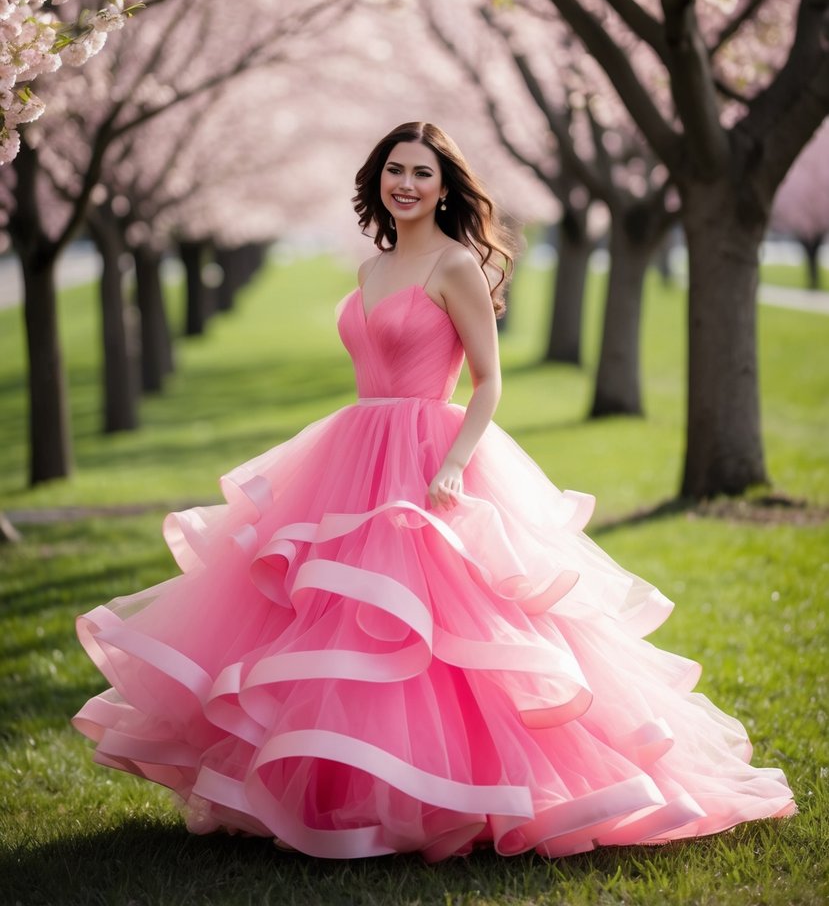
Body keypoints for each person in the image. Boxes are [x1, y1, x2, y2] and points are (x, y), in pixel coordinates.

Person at [73, 121, 795, 860]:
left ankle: (473, 791)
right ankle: (340, 790)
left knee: (444, 627)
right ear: (377, 181)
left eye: (422, 173)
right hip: (354, 451)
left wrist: (451, 463)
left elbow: (488, 382)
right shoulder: (370, 267)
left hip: (429, 456)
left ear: (445, 186)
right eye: (395, 171)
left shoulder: (455, 266)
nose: (406, 184)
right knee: (341, 624)